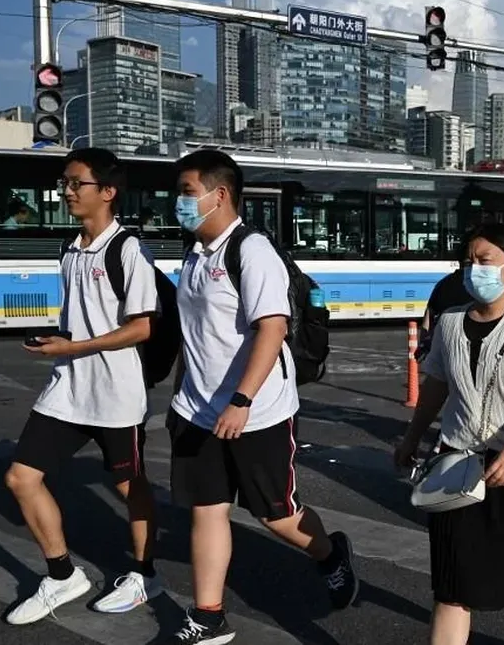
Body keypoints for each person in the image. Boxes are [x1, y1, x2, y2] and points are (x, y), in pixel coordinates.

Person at [166, 149, 358, 644]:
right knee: (206, 509)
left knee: (277, 515)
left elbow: (272, 328)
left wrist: (242, 399)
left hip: (257, 412)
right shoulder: (196, 253)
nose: (178, 203)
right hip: (198, 410)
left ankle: (330, 554)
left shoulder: (251, 251)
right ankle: (209, 616)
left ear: (220, 194)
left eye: (187, 193)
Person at [5, 148, 161, 624]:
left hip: (115, 394)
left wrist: (70, 348)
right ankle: (61, 576)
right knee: (20, 478)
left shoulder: (128, 249)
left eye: (77, 184)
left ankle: (144, 574)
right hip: (68, 389)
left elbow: (141, 328)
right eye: (65, 183)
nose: (67, 191)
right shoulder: (69, 248)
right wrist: (62, 345)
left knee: (128, 487)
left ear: (107, 192)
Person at [394, 222, 504, 645]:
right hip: (458, 464)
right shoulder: (450, 323)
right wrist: (412, 438)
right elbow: (435, 385)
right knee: (452, 581)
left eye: (484, 260)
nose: (474, 269)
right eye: (468, 261)